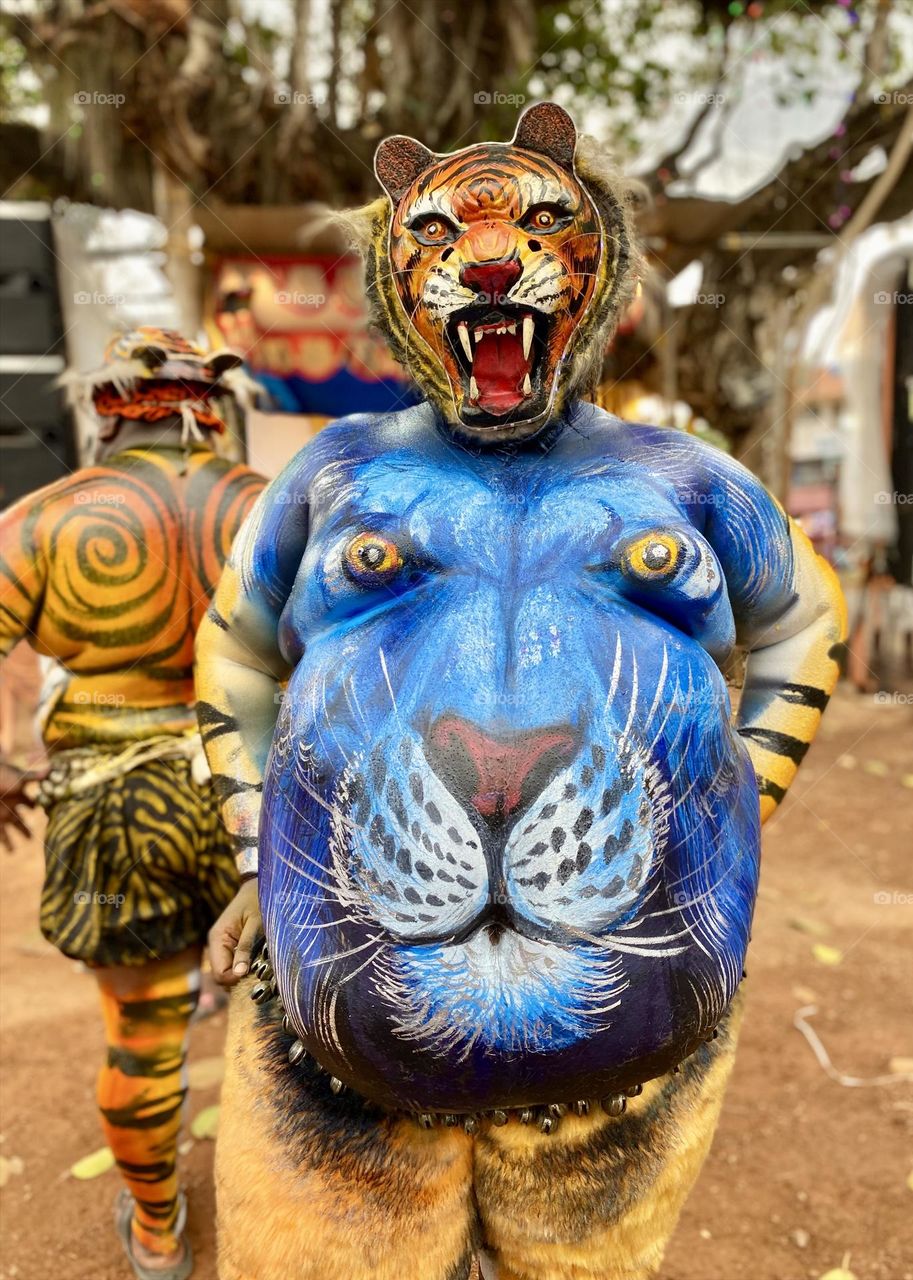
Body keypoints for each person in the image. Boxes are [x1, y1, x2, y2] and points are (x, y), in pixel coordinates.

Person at [198, 105, 845, 1280]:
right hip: (332, 1092)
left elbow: (804, 611)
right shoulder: (338, 469)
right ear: (398, 283)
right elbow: (237, 649)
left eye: (546, 224)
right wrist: (253, 838)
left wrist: (749, 783)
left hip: (631, 1099)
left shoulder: (683, 476)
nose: (495, 258)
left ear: (606, 270)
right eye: (443, 234)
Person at [0, 328, 265, 1280]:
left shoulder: (45, 518)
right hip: (264, 803)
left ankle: (158, 1232)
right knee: (291, 1024)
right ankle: (283, 1206)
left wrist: (2, 766)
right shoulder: (277, 515)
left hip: (116, 811)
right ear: (214, 405)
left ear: (107, 411)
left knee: (144, 1033)